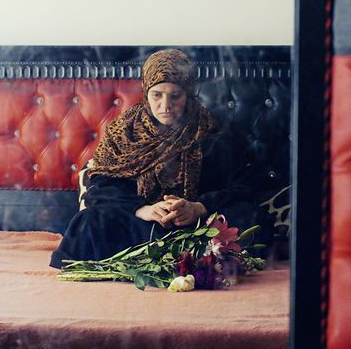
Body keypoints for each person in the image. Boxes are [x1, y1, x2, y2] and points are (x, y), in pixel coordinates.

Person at [50, 49, 269, 268]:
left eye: (175, 95)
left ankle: (181, 259)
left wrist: (197, 207)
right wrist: (143, 210)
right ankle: (183, 260)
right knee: (89, 221)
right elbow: (101, 186)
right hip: (139, 222)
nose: (165, 106)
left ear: (189, 93)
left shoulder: (212, 131)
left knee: (250, 217)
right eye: (157, 95)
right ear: (146, 92)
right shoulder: (123, 131)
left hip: (197, 224)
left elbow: (241, 186)